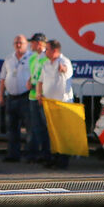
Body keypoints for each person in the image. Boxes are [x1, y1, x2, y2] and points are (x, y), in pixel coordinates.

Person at [36, 40, 74, 169]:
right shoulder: (46, 64)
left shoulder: (64, 61)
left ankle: (63, 160)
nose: (45, 51)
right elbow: (40, 81)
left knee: (61, 133)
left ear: (55, 50)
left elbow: (67, 71)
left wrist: (62, 69)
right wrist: (39, 94)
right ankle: (51, 158)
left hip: (61, 104)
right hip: (48, 103)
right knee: (50, 133)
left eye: (47, 49)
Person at [0, 34, 31, 162]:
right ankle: (13, 154)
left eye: (21, 43)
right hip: (11, 97)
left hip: (25, 96)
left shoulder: (31, 58)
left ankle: (30, 154)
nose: (18, 45)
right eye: (16, 43)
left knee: (29, 127)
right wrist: (1, 96)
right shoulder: (9, 59)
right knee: (12, 128)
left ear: (26, 44)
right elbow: (3, 78)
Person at [26, 33, 51, 163]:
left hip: (43, 97)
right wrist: (29, 81)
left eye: (33, 42)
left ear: (40, 43)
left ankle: (47, 154)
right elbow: (34, 74)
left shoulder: (47, 58)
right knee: (35, 127)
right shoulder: (33, 58)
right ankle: (35, 154)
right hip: (33, 96)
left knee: (45, 127)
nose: (31, 45)